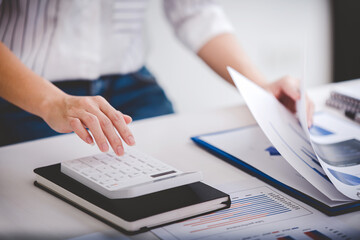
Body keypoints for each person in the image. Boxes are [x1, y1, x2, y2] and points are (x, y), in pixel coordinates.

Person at [0, 0, 313, 156]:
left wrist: (261, 86)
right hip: (28, 94)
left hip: (133, 88)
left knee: (188, 181)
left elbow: (195, 12)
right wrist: (51, 101)